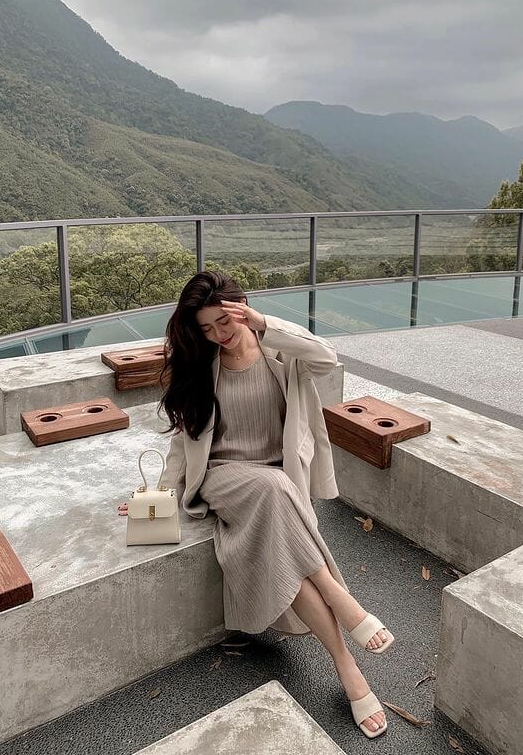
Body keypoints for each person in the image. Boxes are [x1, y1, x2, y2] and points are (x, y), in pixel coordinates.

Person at [119, 271, 395, 739]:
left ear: (242, 307)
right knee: (273, 489)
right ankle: (344, 602)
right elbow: (183, 443)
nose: (217, 335)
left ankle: (345, 665)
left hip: (278, 481)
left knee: (283, 534)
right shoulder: (201, 367)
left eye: (223, 321)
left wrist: (264, 324)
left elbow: (327, 357)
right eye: (206, 328)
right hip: (224, 477)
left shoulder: (281, 355)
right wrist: (157, 496)